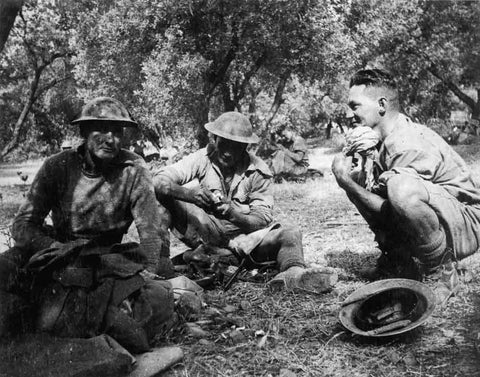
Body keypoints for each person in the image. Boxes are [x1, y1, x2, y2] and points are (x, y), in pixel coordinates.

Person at [0, 97, 175, 353]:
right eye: (100, 129)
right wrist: (53, 247)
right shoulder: (57, 166)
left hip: (105, 258)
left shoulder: (133, 169)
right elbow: (23, 224)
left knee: (143, 305)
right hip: (56, 251)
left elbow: (150, 230)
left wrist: (148, 271)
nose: (110, 138)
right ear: (83, 132)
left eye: (117, 131)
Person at [152, 111, 337, 292]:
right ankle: (161, 268)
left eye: (236, 147)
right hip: (207, 231)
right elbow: (158, 181)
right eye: (224, 144)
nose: (228, 153)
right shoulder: (202, 158)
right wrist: (190, 195)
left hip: (246, 242)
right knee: (162, 195)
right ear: (214, 139)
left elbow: (262, 219)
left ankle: (294, 274)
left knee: (291, 233)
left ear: (245, 147)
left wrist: (233, 214)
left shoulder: (259, 170)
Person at [331, 69, 480, 283]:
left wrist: (346, 183)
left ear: (381, 105)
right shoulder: (380, 141)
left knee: (400, 188)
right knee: (360, 182)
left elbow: (393, 209)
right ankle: (398, 262)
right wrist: (354, 181)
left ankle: (442, 273)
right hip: (442, 217)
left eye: (355, 106)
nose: (348, 114)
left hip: (466, 225)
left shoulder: (406, 143)